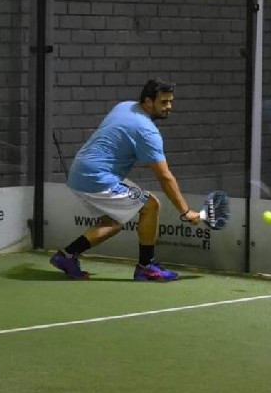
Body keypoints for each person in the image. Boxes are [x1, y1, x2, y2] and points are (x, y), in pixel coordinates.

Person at [50, 79, 201, 281]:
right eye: (164, 102)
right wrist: (185, 211)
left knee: (114, 222)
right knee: (150, 205)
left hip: (80, 172)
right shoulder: (147, 131)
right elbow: (165, 177)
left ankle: (67, 256)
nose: (169, 107)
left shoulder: (125, 106)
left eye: (170, 101)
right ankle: (146, 266)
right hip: (97, 177)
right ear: (148, 101)